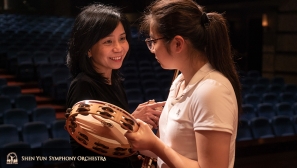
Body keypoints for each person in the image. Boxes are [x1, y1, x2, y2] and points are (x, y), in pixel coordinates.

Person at [125, 0, 243, 168]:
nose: (151, 49)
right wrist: (138, 135)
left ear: (178, 44)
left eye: (153, 41)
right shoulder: (180, 81)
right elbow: (170, 150)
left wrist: (153, 144)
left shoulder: (211, 90)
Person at [66, 3, 165, 168]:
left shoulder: (115, 81)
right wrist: (132, 121)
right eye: (108, 41)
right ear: (88, 48)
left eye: (122, 38)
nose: (119, 48)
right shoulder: (83, 85)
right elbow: (93, 145)